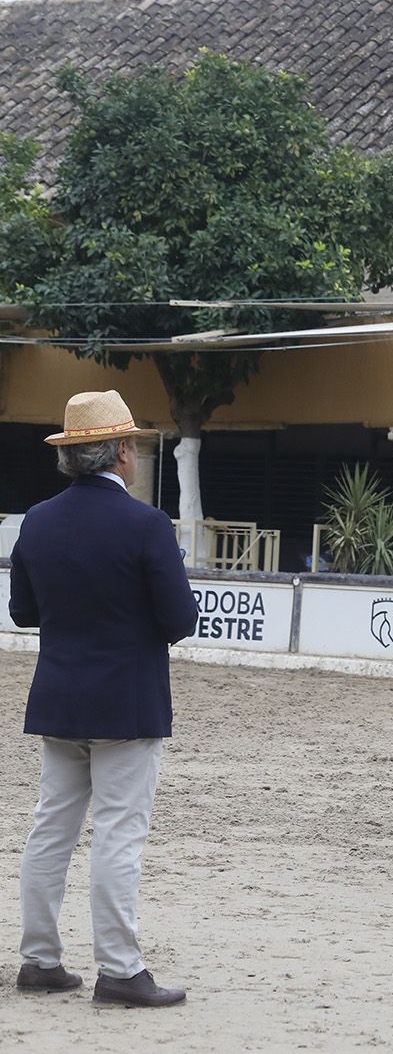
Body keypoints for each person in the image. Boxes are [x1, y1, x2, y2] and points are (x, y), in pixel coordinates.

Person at [10, 390, 197, 1006]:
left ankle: (39, 959)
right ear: (121, 451)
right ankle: (118, 969)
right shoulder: (146, 524)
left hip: (59, 697)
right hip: (127, 702)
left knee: (51, 830)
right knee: (118, 835)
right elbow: (179, 620)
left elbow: (23, 612)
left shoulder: (37, 521)